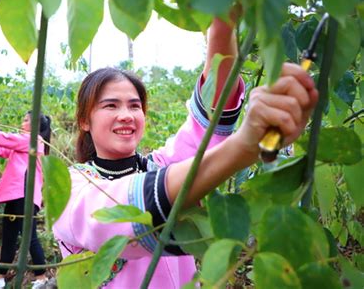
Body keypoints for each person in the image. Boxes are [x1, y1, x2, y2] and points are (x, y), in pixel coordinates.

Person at [53, 15, 318, 288]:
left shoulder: (160, 167)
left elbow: (208, 125)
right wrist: (244, 145)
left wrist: (222, 23)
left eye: (134, 106)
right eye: (110, 106)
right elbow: (108, 219)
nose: (126, 115)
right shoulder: (68, 189)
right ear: (85, 121)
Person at [0, 112, 52, 289]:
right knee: (9, 236)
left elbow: (7, 139)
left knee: (29, 236)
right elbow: (4, 150)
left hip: (25, 195)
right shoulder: (24, 143)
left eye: (26, 120)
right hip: (16, 195)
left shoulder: (33, 140)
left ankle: (42, 277)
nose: (22, 123)